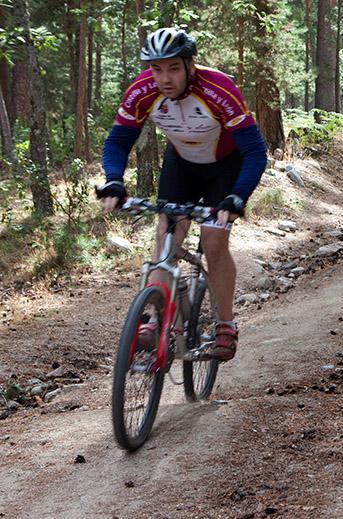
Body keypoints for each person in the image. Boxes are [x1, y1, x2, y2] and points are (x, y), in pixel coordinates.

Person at [97, 27, 268, 361]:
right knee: (166, 236)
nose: (164, 78)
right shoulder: (142, 90)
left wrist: (238, 197)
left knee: (214, 241)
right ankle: (154, 318)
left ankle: (225, 324)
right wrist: (114, 180)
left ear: (190, 65)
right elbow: (118, 141)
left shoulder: (219, 89)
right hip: (182, 165)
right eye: (156, 69)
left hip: (224, 167)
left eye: (173, 68)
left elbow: (255, 151)